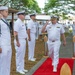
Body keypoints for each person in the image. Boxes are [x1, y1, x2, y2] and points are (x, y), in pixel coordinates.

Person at [0, 6, 12, 75]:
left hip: (8, 44)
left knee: (7, 63)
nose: (7, 13)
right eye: (6, 11)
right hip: (3, 45)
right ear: (1, 12)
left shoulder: (5, 20)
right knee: (2, 64)